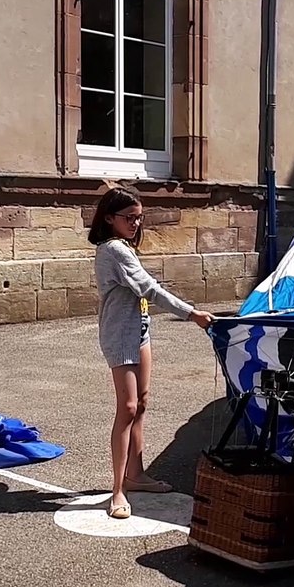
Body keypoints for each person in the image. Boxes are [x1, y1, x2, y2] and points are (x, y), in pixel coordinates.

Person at [88, 186, 216, 520]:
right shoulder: (114, 249)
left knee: (141, 403)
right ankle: (117, 491)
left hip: (139, 331)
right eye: (129, 218)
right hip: (119, 336)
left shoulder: (124, 246)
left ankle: (136, 474)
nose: (135, 223)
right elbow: (149, 289)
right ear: (109, 218)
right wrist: (193, 314)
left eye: (139, 217)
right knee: (127, 408)